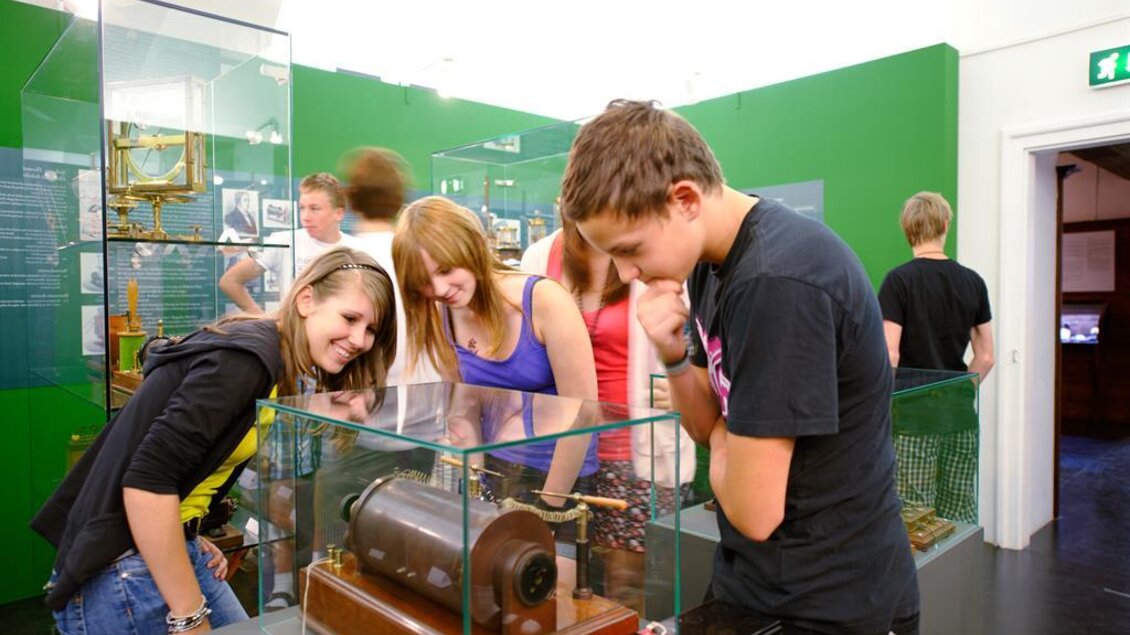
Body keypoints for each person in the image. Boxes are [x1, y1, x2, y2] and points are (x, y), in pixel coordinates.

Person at [560, 99, 919, 634]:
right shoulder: (710, 264)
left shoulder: (776, 282)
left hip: (832, 600)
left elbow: (755, 509)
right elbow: (706, 424)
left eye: (630, 249)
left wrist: (726, 436)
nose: (626, 272)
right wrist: (674, 355)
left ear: (684, 199)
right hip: (759, 582)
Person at [32, 247, 397, 635]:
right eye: (350, 318)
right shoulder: (247, 360)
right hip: (121, 566)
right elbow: (145, 485)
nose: (361, 340)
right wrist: (188, 617)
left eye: (372, 329)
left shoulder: (272, 360)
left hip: (158, 547)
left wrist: (189, 526)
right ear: (306, 300)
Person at [521, 214, 693, 609]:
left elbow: (694, 335)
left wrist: (683, 382)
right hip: (561, 452)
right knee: (559, 579)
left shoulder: (651, 249)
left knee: (627, 582)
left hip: (636, 449)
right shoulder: (540, 256)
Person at [392, 195, 599, 508]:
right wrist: (475, 485)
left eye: (446, 269)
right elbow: (464, 408)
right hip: (494, 471)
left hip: (561, 476)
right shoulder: (443, 313)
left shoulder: (544, 300)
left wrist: (551, 503)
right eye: (424, 281)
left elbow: (584, 411)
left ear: (472, 248)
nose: (439, 289)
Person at [878, 191, 994, 523]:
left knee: (914, 516)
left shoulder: (898, 281)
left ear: (907, 229)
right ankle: (962, 577)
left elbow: (889, 354)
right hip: (959, 416)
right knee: (960, 511)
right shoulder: (973, 282)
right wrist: (959, 389)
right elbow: (986, 356)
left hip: (913, 419)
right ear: (945, 225)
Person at [342, 146, 440, 386]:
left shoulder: (343, 259)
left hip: (369, 397)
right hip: (431, 393)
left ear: (351, 198)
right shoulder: (424, 254)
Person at [220, 173, 360, 314]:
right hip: (293, 334)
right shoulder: (283, 242)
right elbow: (230, 281)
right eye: (302, 208)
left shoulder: (358, 249)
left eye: (315, 209)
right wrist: (261, 319)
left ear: (339, 214)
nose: (305, 217)